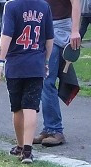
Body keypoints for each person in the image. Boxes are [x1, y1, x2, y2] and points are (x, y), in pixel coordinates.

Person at [0, 0, 53, 164]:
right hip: (35, 64)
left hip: (15, 65)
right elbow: (49, 39)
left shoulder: (11, 6)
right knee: (31, 107)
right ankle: (28, 150)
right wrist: (45, 61)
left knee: (17, 108)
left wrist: (0, 61)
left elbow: (6, 35)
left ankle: (20, 145)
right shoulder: (43, 6)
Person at [33, 0, 79, 147]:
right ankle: (48, 128)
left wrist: (75, 30)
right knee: (42, 81)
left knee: (47, 81)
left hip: (59, 30)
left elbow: (76, 2)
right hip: (41, 28)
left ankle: (55, 130)